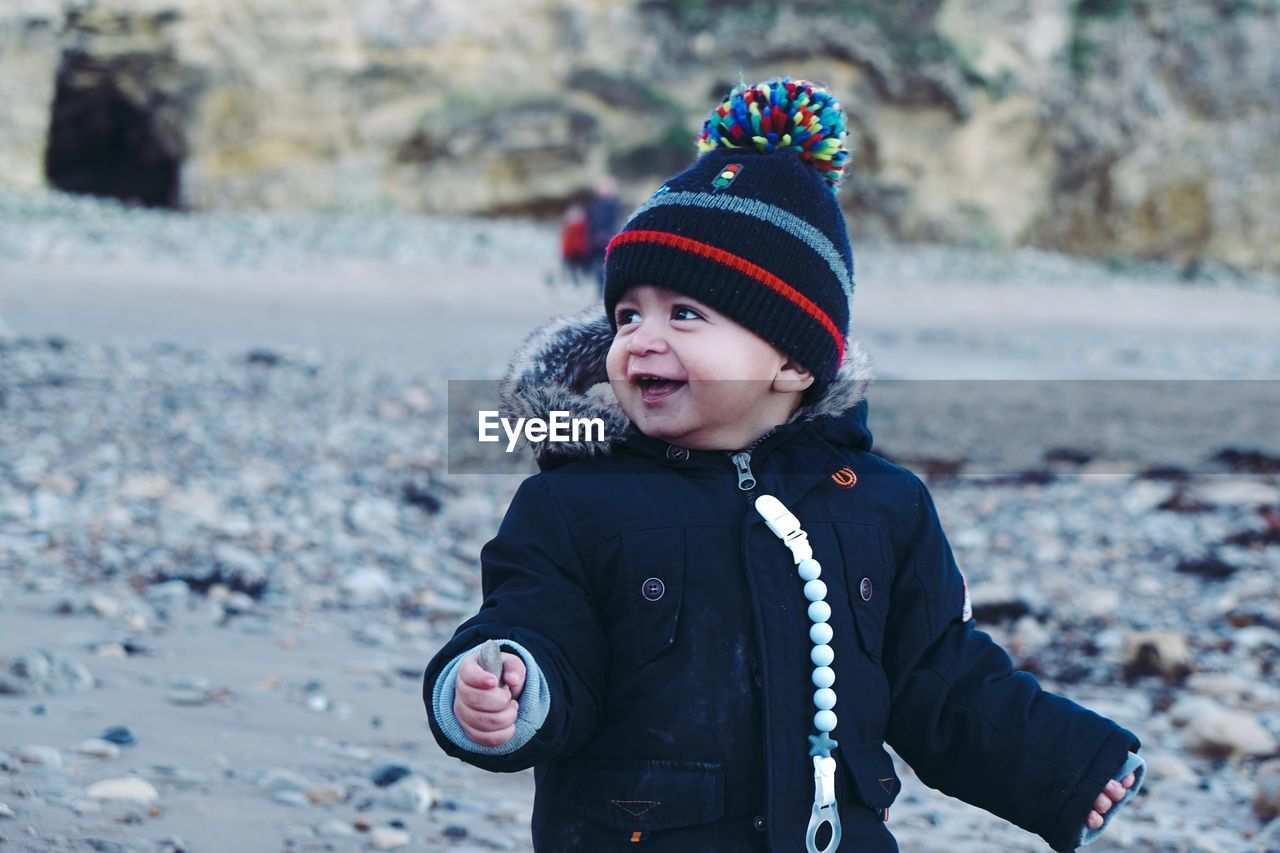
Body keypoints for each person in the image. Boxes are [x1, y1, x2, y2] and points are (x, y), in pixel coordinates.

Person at [422, 78, 1144, 852]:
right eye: (628, 313)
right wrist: (506, 690)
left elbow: (942, 677)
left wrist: (1060, 765)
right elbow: (536, 626)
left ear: (794, 364)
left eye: (686, 313)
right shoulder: (576, 502)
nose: (639, 338)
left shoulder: (880, 504)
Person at [584, 176, 621, 295]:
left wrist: (606, 235)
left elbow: (614, 222)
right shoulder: (593, 205)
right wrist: (592, 237)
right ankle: (600, 291)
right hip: (594, 242)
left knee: (605, 267)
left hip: (607, 240)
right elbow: (590, 223)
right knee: (596, 268)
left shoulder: (613, 205)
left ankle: (605, 291)